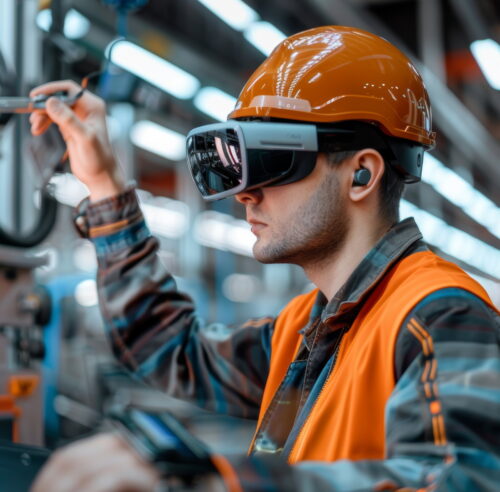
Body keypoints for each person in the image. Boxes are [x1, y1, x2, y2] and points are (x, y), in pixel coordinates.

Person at [29, 26, 499, 492]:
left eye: (272, 161)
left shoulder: (441, 315)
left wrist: (224, 482)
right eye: (241, 164)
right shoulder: (307, 329)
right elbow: (172, 350)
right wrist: (105, 184)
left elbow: (465, 482)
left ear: (361, 174)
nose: (246, 194)